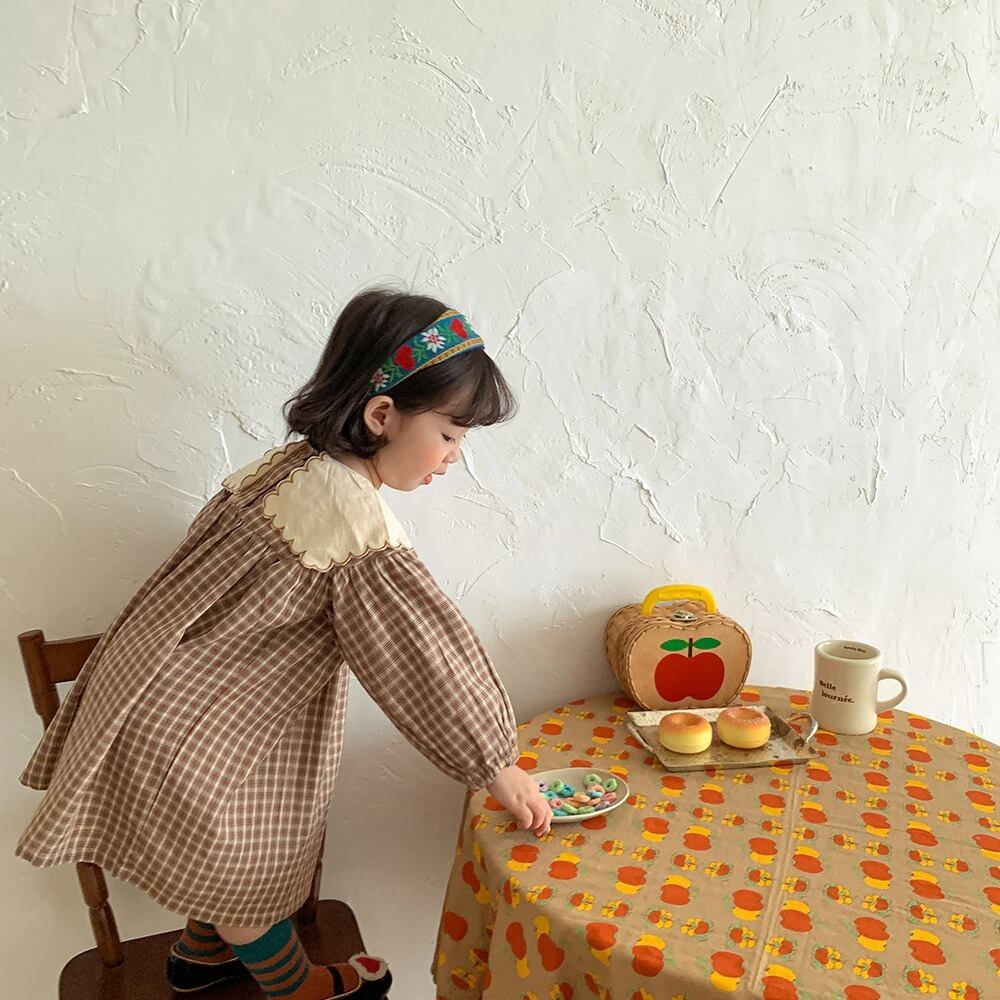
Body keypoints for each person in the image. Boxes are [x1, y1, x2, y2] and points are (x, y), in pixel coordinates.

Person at [15, 287, 551, 999]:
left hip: (165, 701)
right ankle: (295, 985)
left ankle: (200, 956)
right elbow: (421, 656)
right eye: (451, 434)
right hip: (202, 733)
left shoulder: (284, 469)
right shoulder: (350, 521)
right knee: (249, 873)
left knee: (236, 858)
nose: (456, 456)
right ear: (382, 415)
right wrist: (493, 761)